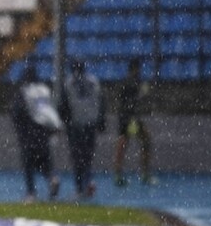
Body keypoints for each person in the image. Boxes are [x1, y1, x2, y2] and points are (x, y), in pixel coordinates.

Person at [10, 65, 61, 203]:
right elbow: (50, 109)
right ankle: (52, 178)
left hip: (30, 130)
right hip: (45, 130)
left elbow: (17, 111)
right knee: (44, 161)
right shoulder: (44, 90)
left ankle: (31, 193)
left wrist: (21, 129)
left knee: (28, 162)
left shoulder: (25, 91)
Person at [59, 59, 106, 200]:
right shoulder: (93, 81)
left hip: (76, 125)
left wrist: (65, 122)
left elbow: (63, 105)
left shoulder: (69, 83)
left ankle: (80, 189)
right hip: (90, 124)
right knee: (88, 156)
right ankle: (89, 180)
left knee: (77, 158)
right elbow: (101, 101)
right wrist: (101, 121)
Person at [114, 58, 154, 186]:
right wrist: (143, 93)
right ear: (135, 69)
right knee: (144, 142)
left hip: (125, 117)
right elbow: (133, 101)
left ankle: (119, 175)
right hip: (131, 118)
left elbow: (123, 100)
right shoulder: (134, 83)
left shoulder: (126, 82)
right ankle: (144, 174)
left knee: (123, 145)